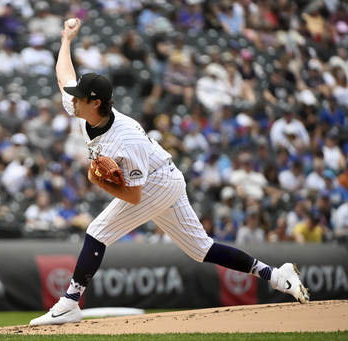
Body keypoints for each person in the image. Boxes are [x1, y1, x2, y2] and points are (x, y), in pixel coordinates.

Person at [29, 19, 310, 326]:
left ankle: (70, 301)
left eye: (79, 97)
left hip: (157, 182)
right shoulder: (85, 112)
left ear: (95, 103)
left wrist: (96, 180)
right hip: (165, 177)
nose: (72, 99)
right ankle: (274, 274)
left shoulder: (126, 138)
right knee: (201, 249)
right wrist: (67, 40)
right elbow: (63, 77)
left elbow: (134, 197)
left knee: (97, 231)